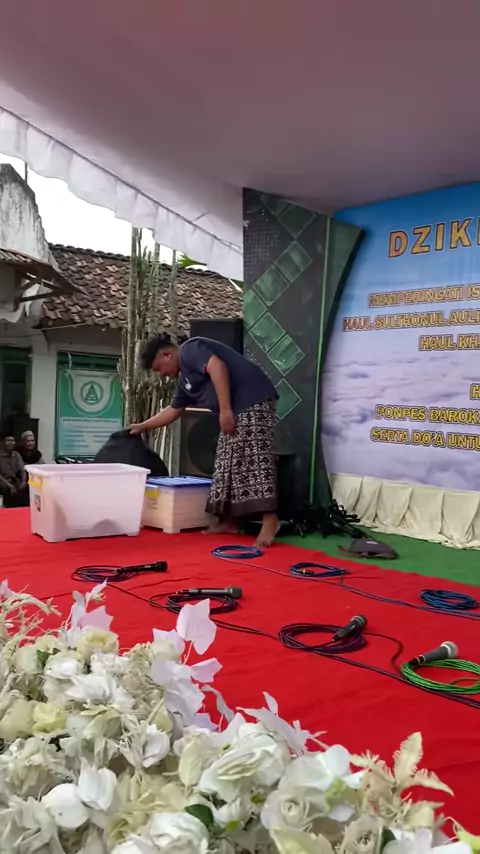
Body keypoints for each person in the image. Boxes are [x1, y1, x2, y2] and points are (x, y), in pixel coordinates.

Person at [130, 333, 280, 546]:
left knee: (252, 458)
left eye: (159, 368)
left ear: (167, 354)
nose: (161, 374)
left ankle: (270, 519)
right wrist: (143, 426)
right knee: (225, 463)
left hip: (252, 400)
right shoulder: (184, 380)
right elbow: (173, 410)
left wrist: (225, 411)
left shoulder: (190, 349)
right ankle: (231, 521)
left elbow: (218, 367)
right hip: (234, 409)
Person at [0, 435, 29, 507]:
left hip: (14, 479)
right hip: (3, 480)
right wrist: (9, 486)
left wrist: (23, 482)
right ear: (3, 442)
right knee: (6, 489)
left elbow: (22, 470)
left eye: (12, 441)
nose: (11, 443)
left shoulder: (17, 455)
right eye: (8, 440)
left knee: (26, 488)